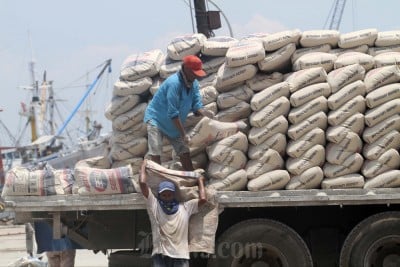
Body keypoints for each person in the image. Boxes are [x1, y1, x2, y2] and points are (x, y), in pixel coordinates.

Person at [143, 55, 214, 171]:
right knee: (156, 151)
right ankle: (160, 181)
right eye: (194, 72)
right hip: (157, 119)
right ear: (185, 69)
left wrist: (204, 112)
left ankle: (190, 179)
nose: (196, 75)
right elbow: (173, 113)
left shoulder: (193, 84)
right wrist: (183, 134)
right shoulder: (174, 84)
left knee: (184, 152)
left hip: (173, 124)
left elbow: (196, 104)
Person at [139, 159, 207, 267]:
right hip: (161, 255)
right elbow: (142, 183)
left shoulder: (185, 207)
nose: (166, 198)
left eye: (169, 195)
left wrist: (200, 181)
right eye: (164, 195)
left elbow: (203, 200)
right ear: (159, 195)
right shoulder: (155, 205)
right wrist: (143, 166)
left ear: (174, 195)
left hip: (180, 256)